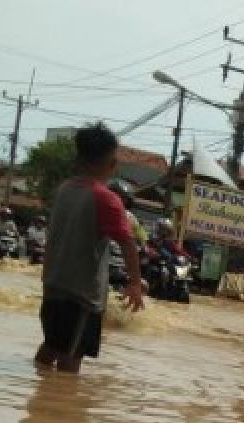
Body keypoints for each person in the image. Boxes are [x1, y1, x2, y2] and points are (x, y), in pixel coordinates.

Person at [36, 123, 143, 373]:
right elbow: (128, 244)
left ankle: (38, 405)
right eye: (114, 158)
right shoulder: (106, 198)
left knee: (50, 348)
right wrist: (135, 283)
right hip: (81, 296)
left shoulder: (63, 190)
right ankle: (60, 411)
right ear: (107, 161)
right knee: (69, 366)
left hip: (52, 287)